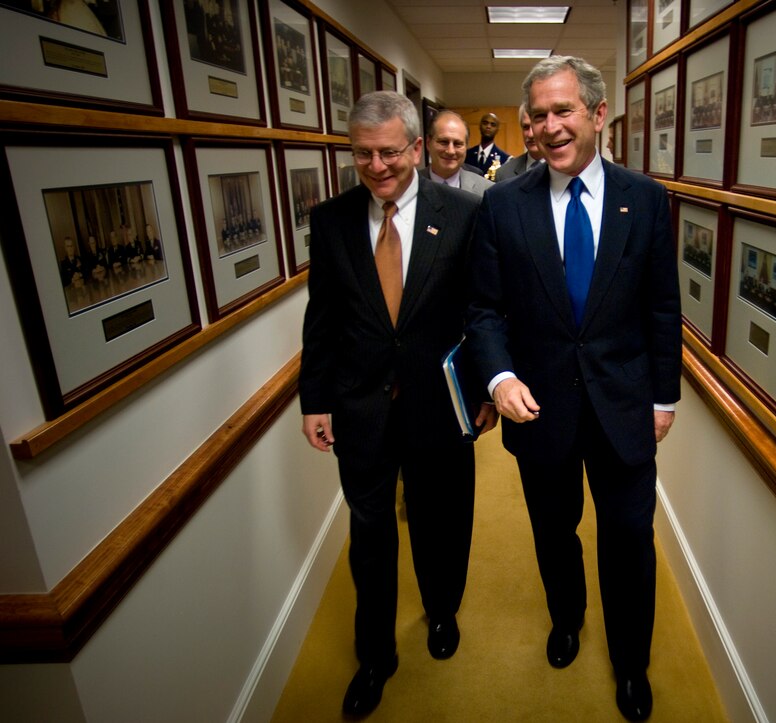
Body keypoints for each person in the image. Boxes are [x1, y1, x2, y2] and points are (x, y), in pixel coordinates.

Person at [465, 56, 681, 722]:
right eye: (538, 115)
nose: (549, 127)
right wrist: (499, 376)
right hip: (542, 410)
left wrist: (663, 398)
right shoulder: (503, 204)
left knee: (628, 537)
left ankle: (630, 661)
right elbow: (484, 310)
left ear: (596, 114)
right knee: (553, 530)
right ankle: (567, 618)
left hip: (624, 408)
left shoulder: (643, 198)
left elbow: (662, 307)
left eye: (563, 111)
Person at [300, 90, 497, 719]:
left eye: (389, 152)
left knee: (442, 521)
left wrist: (486, 388)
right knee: (370, 534)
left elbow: (482, 312)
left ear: (416, 148)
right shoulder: (331, 221)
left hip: (440, 407)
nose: (377, 166)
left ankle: (442, 613)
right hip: (361, 408)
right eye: (363, 155)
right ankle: (375, 655)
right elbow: (322, 318)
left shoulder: (465, 215)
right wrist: (315, 398)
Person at [426, 110, 493, 196]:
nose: (450, 151)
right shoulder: (408, 185)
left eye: (458, 144)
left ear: (467, 146)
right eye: (443, 142)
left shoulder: (487, 190)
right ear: (428, 143)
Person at [495, 103, 546, 182]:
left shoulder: (565, 170)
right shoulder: (504, 174)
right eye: (526, 127)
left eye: (535, 126)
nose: (530, 134)